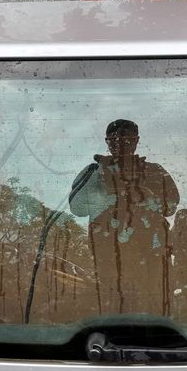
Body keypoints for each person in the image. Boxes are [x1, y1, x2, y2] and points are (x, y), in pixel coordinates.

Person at [69, 119, 179, 315]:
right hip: (109, 256)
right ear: (107, 142)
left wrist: (144, 196)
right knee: (112, 309)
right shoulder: (95, 171)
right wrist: (108, 196)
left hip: (151, 255)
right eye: (114, 139)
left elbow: (171, 205)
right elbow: (77, 207)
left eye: (127, 138)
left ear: (136, 140)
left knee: (153, 309)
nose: (120, 143)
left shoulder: (154, 171)